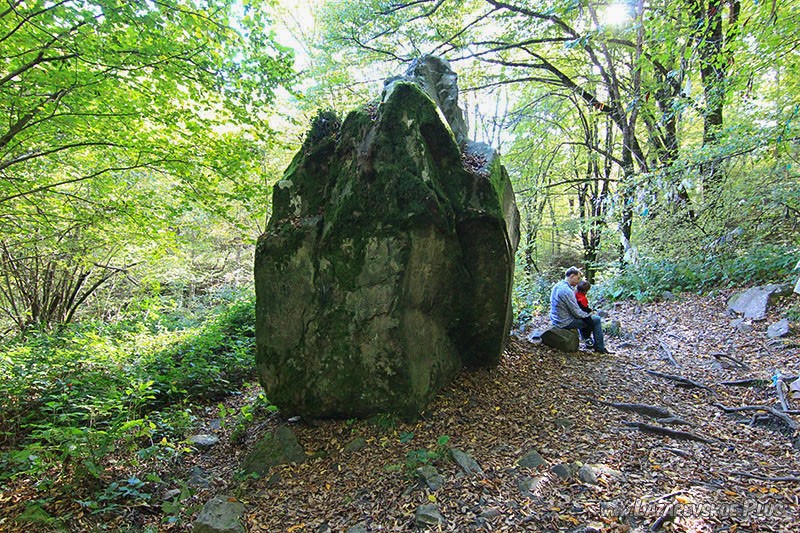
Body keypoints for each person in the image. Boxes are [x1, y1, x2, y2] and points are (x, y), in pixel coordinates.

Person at [550, 266, 611, 354]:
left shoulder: (558, 285)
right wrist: (589, 314)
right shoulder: (567, 291)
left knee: (585, 316)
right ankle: (600, 348)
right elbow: (576, 313)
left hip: (556, 318)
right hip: (564, 321)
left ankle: (587, 340)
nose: (579, 281)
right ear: (571, 276)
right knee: (596, 320)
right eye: (578, 278)